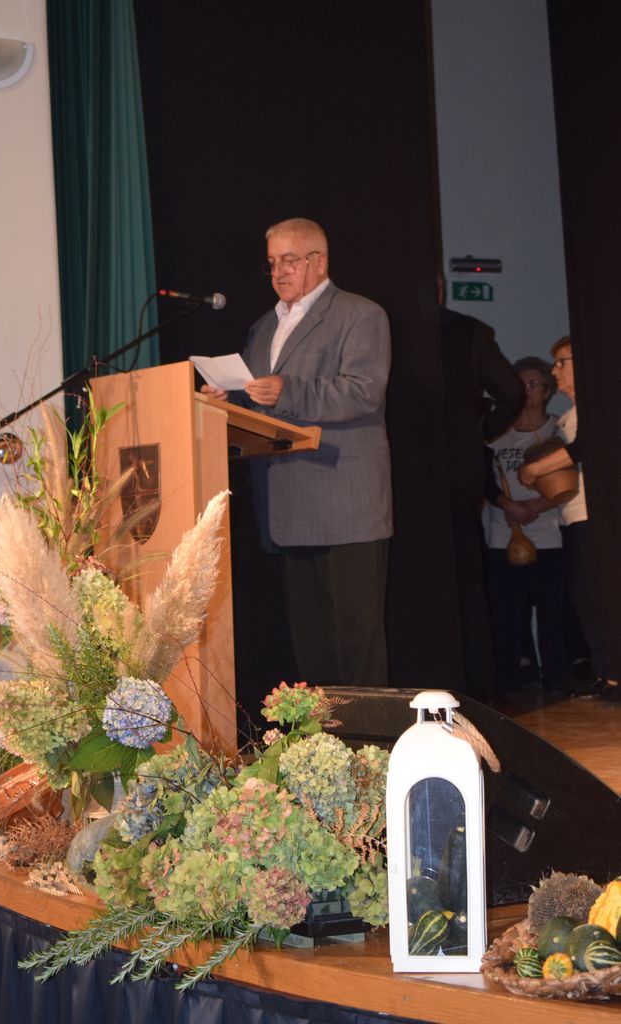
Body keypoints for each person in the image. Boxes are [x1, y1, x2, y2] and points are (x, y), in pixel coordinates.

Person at [204, 217, 393, 685]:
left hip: (345, 504)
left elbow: (363, 392)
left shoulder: (360, 314)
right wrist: (229, 399)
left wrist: (286, 390)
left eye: (289, 261)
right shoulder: (264, 327)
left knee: (356, 644)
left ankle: (366, 732)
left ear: (319, 261)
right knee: (312, 648)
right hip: (288, 506)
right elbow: (261, 400)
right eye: (272, 263)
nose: (278, 272)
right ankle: (320, 732)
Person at [519, 336, 619, 700]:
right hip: (575, 516)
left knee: (599, 596)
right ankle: (607, 672)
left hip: (597, 516)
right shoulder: (569, 416)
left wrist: (536, 469)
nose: (555, 371)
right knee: (584, 597)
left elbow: (583, 449)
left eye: (562, 363)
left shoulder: (598, 409)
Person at [437, 287, 524, 701]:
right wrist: (480, 430)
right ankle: (477, 687)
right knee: (467, 579)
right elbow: (512, 391)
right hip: (458, 469)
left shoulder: (380, 325)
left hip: (400, 474)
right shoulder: (469, 332)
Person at [484, 357, 567, 694]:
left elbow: (568, 480)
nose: (526, 391)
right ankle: (511, 677)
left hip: (548, 534)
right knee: (508, 612)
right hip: (503, 535)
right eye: (520, 384)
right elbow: (483, 478)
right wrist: (508, 505)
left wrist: (534, 506)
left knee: (553, 611)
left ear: (547, 391)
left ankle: (557, 677)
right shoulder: (496, 432)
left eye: (533, 384)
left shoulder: (557, 429)